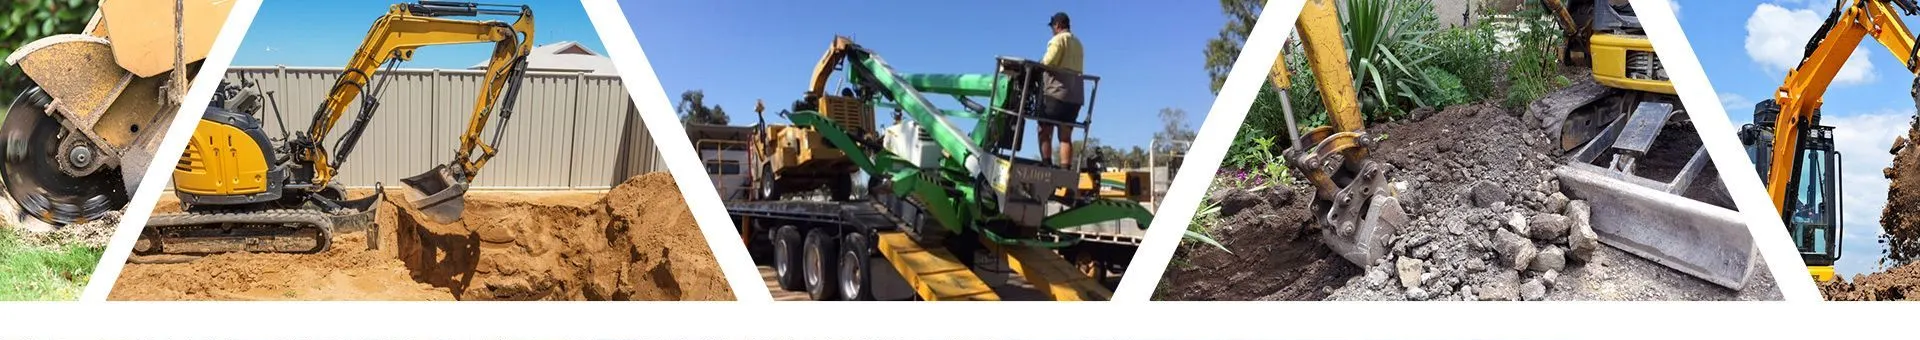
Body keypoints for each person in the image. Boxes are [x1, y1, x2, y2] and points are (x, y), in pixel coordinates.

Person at [1038, 11, 1084, 168]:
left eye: (1052, 26)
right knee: (1065, 136)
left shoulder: (1058, 40)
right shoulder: (1078, 43)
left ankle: (1046, 164)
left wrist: (1037, 65)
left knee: (1044, 129)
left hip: (1056, 94)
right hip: (1075, 97)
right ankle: (1065, 171)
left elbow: (1048, 62)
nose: (1052, 29)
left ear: (1057, 25)